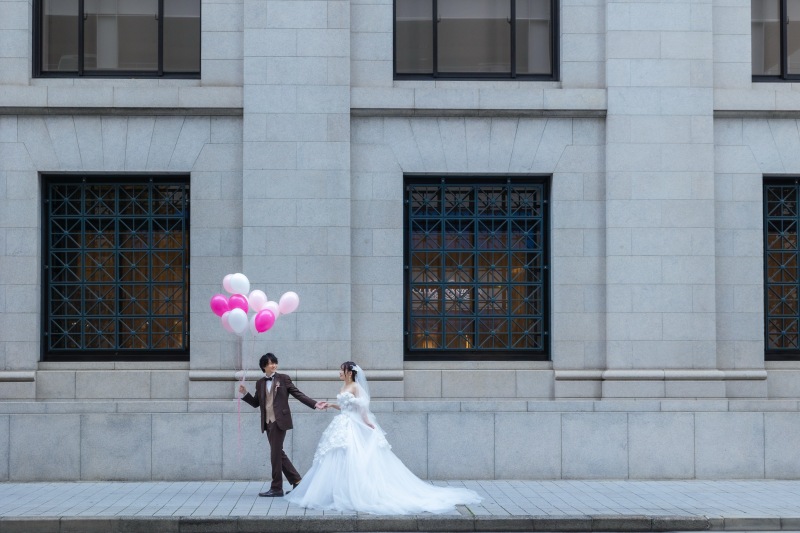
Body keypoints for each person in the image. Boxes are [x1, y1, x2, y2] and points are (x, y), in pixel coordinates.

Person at [285, 361, 482, 514]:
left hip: (352, 424)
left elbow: (362, 407)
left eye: (341, 369)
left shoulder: (354, 386)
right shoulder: (344, 387)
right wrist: (330, 405)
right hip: (342, 422)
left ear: (350, 372)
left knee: (352, 457)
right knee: (337, 457)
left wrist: (367, 422)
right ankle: (337, 492)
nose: (339, 372)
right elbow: (347, 406)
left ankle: (355, 493)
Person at [239, 353, 328, 497]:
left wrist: (315, 403)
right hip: (267, 422)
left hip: (280, 421)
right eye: (270, 363)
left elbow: (298, 394)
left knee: (275, 454)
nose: (273, 365)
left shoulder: (283, 378)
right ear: (263, 366)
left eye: (275, 362)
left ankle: (276, 488)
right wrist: (245, 393)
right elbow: (256, 403)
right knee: (278, 453)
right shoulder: (260, 383)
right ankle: (297, 481)